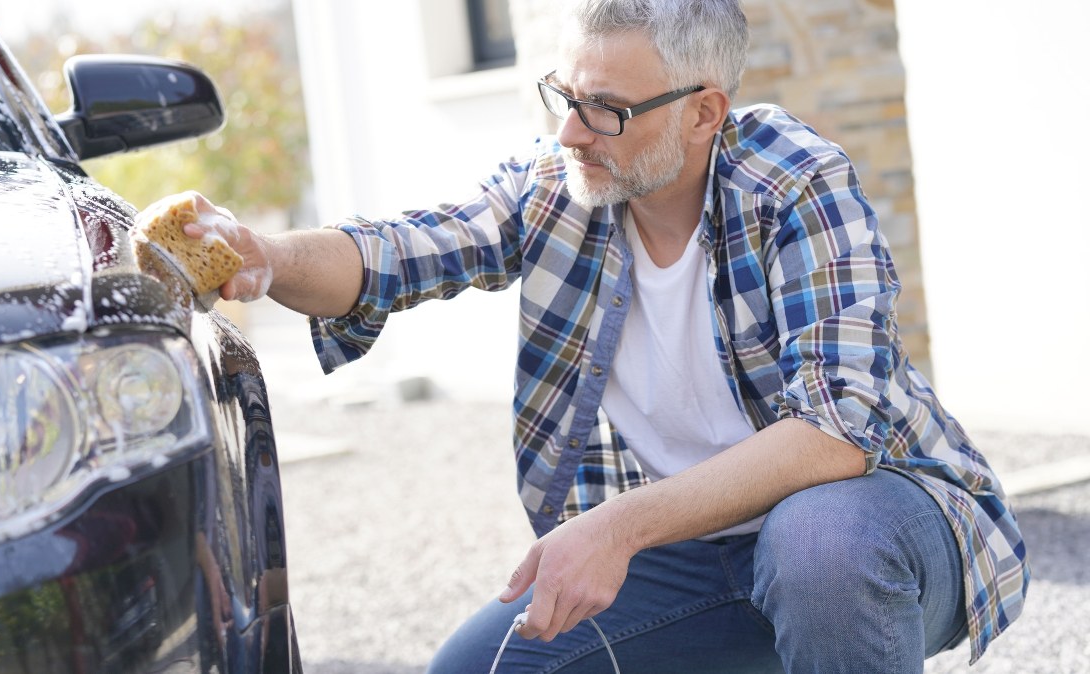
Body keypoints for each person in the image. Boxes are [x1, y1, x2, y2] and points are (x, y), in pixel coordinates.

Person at [155, 1, 1028, 670]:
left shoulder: (795, 184)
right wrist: (265, 254)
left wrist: (616, 528)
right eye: (564, 97)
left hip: (890, 524)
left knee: (817, 549)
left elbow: (836, 434)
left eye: (604, 109)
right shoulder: (561, 187)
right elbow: (397, 252)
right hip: (695, 551)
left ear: (703, 113)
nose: (570, 130)